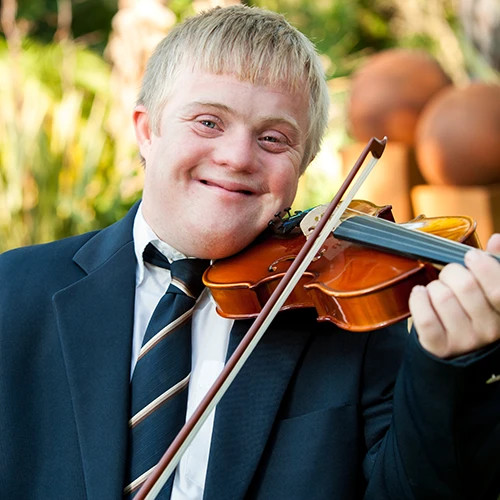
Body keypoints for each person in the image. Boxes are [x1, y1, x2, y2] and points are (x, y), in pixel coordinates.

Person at [1, 5, 499, 500]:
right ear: (147, 131)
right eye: (209, 122)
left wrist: (446, 366)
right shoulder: (14, 293)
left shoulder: (349, 326)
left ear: (301, 166)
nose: (237, 157)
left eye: (273, 138)